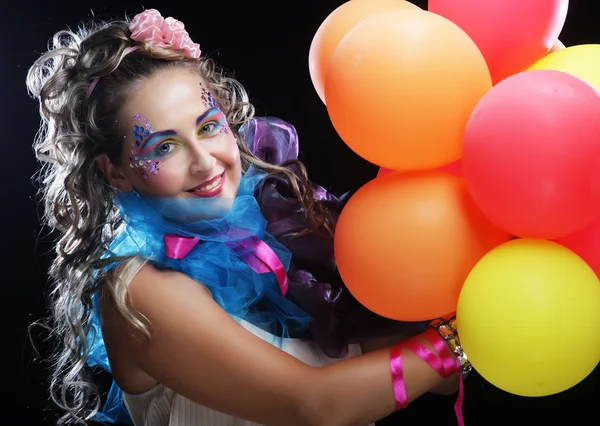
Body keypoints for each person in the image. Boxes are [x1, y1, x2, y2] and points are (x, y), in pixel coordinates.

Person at [27, 8, 468, 426]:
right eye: (164, 147)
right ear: (116, 172)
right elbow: (315, 404)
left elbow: (431, 378)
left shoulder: (278, 233)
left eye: (208, 127)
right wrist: (464, 339)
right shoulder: (138, 290)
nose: (205, 163)